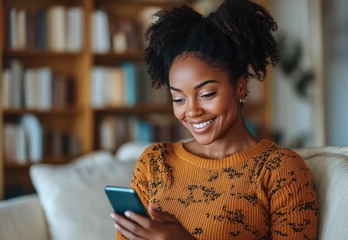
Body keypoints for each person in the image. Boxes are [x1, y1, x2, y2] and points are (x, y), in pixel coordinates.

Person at [110, 0, 318, 239]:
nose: (192, 111)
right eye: (178, 99)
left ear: (240, 87)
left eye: (206, 94)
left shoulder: (280, 170)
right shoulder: (154, 163)